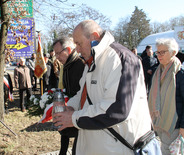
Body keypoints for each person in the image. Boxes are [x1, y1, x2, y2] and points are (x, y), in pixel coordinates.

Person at [53, 20, 154, 155]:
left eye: (79, 43)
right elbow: (82, 94)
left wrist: (73, 118)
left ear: (94, 37)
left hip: (118, 149)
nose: (76, 49)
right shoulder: (91, 61)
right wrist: (70, 107)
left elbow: (116, 109)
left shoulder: (120, 58)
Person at [148, 38, 184, 155]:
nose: (159, 55)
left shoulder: (179, 73)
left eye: (163, 52)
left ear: (173, 52)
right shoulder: (157, 72)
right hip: (160, 122)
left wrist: (183, 126)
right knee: (163, 150)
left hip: (174, 124)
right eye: (158, 52)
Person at [52, 37, 85, 155]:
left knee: (79, 144)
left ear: (69, 49)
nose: (57, 57)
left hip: (80, 111)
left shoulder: (81, 65)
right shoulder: (66, 65)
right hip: (69, 106)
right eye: (55, 54)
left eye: (58, 53)